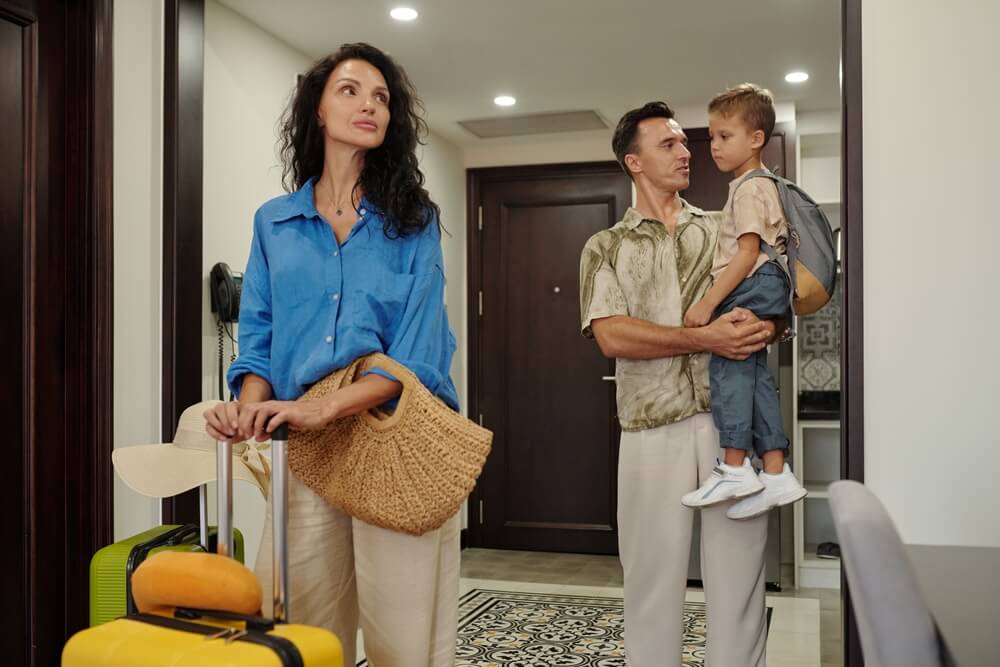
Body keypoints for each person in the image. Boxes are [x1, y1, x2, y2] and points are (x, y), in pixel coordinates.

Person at [203, 42, 460, 667]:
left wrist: (328, 407)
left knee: (405, 632)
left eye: (381, 97)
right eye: (350, 91)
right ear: (316, 109)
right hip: (304, 441)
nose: (369, 105)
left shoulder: (413, 220)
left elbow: (419, 351)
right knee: (299, 624)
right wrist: (248, 409)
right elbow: (258, 334)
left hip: (392, 429)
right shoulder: (274, 222)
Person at [580, 101, 785, 666]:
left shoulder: (725, 228)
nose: (685, 150)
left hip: (730, 432)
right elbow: (612, 336)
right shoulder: (605, 248)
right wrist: (706, 339)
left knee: (740, 584)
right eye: (667, 143)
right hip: (650, 430)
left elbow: (783, 292)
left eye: (684, 141)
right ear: (634, 161)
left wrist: (768, 324)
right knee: (650, 580)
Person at [681, 83, 807, 519]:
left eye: (724, 136)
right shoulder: (759, 185)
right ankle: (775, 470)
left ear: (756, 139)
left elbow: (748, 253)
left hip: (753, 282)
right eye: (712, 137)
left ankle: (734, 464)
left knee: (729, 367)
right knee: (754, 376)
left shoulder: (749, 188)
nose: (713, 146)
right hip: (769, 283)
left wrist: (705, 305)